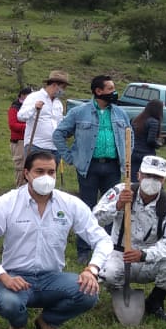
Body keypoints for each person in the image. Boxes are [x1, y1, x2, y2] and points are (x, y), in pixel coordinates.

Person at [0, 151, 113, 329]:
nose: (46, 177)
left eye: (51, 172)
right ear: (26, 174)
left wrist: (92, 269)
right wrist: (4, 277)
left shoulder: (70, 204)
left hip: (52, 278)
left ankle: (47, 322)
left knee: (89, 292)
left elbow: (103, 240)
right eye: (39, 171)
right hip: (16, 276)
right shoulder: (6, 203)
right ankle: (18, 324)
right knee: (9, 303)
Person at [91, 156, 166, 320]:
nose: (152, 180)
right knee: (108, 273)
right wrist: (118, 205)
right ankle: (119, 295)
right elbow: (95, 219)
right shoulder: (121, 191)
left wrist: (144, 255)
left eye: (157, 177)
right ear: (138, 175)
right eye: (148, 175)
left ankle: (155, 301)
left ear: (164, 180)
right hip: (119, 255)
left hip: (148, 258)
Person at [53, 74, 131, 264]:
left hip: (113, 167)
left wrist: (126, 159)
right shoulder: (80, 112)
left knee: (112, 208)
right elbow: (58, 134)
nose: (114, 92)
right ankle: (83, 250)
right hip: (88, 167)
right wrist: (70, 157)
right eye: (110, 89)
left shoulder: (120, 114)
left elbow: (130, 136)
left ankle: (107, 249)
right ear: (98, 91)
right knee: (86, 208)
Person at [18, 70, 69, 161]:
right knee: (35, 174)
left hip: (55, 148)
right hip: (36, 146)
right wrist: (34, 107)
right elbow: (21, 116)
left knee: (51, 175)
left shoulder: (58, 103)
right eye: (63, 87)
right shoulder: (34, 97)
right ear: (54, 85)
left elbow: (59, 122)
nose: (63, 91)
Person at [130, 99, 164, 178]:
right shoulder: (154, 122)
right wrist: (159, 144)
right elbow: (151, 140)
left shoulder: (136, 120)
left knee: (133, 179)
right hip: (146, 154)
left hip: (133, 153)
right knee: (145, 179)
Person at [8, 87, 33, 186]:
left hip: (31, 141)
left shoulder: (32, 108)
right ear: (23, 95)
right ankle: (20, 189)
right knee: (21, 166)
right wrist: (28, 127)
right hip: (19, 141)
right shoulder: (14, 108)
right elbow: (13, 125)